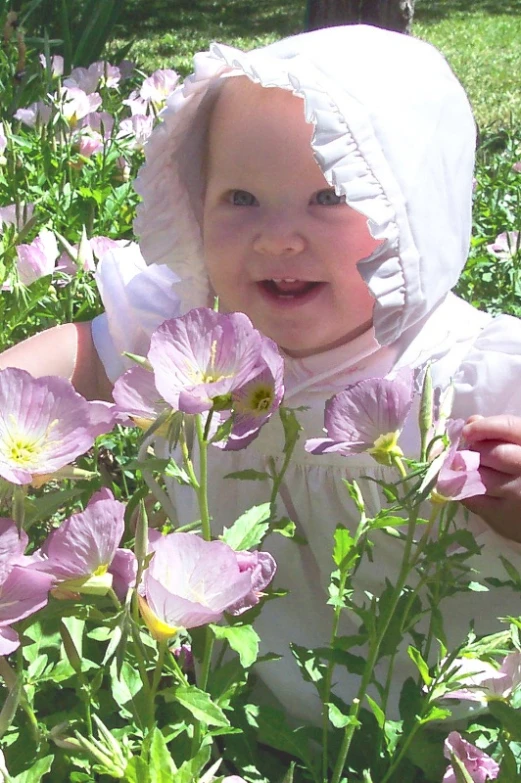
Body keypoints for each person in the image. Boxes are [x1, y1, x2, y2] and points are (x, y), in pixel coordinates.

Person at [3, 24, 521, 721]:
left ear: (413, 217)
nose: (277, 236)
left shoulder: (466, 377)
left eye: (330, 197)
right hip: (229, 712)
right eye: (240, 199)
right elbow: (80, 358)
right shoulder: (194, 327)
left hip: (426, 725)